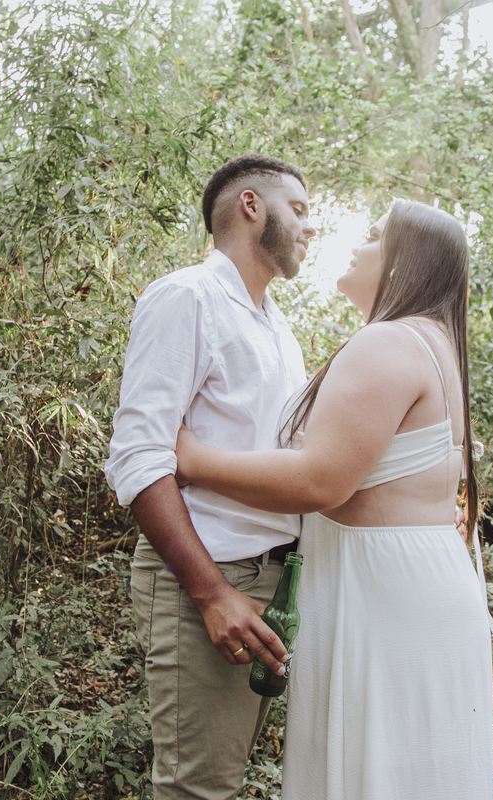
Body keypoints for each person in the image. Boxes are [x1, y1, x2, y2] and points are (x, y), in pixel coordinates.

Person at [175, 201, 493, 799]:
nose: (356, 243)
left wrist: (192, 458)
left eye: (373, 235)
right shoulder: (432, 342)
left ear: (406, 262)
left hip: (381, 597)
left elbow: (319, 481)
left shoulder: (388, 342)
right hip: (410, 585)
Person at [104, 154, 317, 800]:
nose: (310, 227)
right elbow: (139, 458)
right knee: (198, 789)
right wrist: (211, 594)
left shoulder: (277, 327)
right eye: (299, 209)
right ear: (251, 205)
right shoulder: (187, 297)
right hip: (208, 576)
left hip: (274, 582)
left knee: (222, 781)